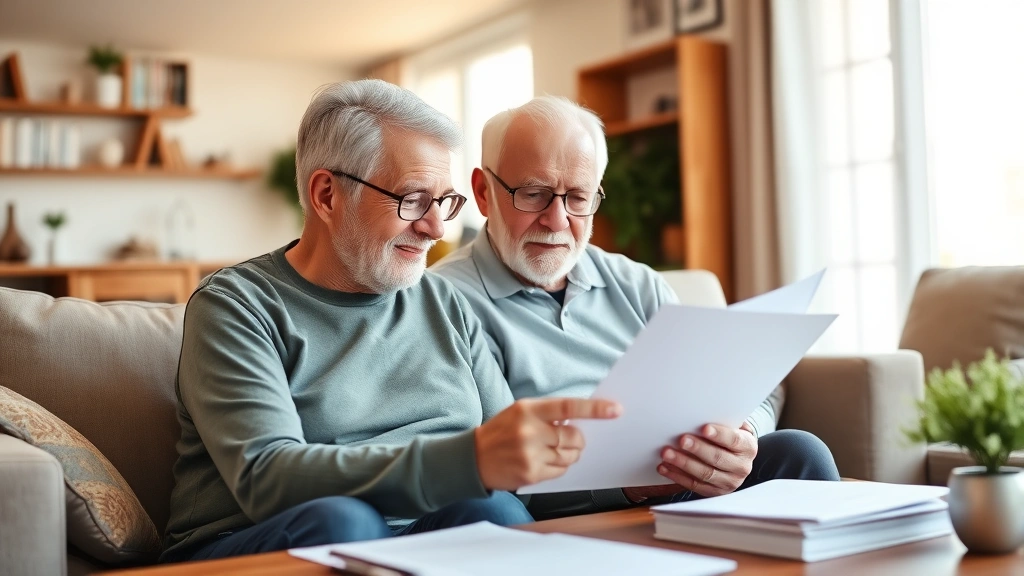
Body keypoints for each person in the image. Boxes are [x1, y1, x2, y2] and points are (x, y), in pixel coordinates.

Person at [160, 81, 622, 563]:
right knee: (346, 521)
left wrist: (632, 483)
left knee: (493, 508)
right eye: (413, 200)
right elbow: (266, 477)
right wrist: (466, 460)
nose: (437, 229)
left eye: (444, 201)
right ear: (327, 196)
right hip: (249, 546)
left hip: (415, 540)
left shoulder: (443, 302)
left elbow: (521, 470)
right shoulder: (237, 305)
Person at [432, 96, 840, 520]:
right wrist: (622, 486)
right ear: (483, 193)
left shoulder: (637, 283)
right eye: (533, 194)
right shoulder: (444, 302)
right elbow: (491, 473)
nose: (556, 220)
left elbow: (756, 386)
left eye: (577, 197)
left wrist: (740, 438)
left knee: (799, 452)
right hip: (565, 510)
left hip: (681, 482)